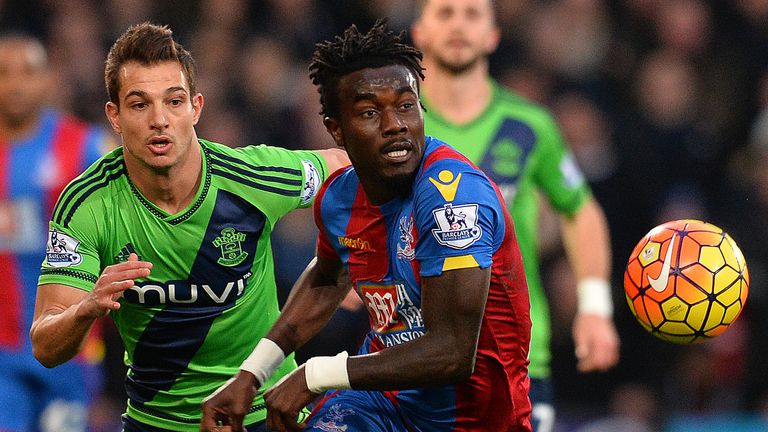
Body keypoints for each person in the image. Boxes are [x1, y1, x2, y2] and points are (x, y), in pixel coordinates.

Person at [201, 20, 532, 432]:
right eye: (370, 112)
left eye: (406, 105)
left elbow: (451, 352)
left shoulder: (454, 197)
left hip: (475, 420)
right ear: (336, 130)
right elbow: (326, 279)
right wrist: (251, 376)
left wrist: (316, 374)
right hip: (380, 405)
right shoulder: (339, 198)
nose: (395, 124)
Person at [28, 22, 348, 432]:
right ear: (115, 116)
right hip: (156, 421)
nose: (160, 119)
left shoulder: (252, 177)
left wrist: (360, 257)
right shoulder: (87, 204)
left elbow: (349, 166)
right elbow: (46, 344)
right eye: (140, 104)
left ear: (196, 108)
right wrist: (86, 308)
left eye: (174, 102)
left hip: (264, 412)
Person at [410, 1, 620, 430]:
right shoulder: (399, 126)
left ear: (492, 35)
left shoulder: (530, 126)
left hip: (516, 355)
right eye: (445, 13)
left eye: (472, 14)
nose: (458, 25)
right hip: (413, 351)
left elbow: (580, 210)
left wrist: (594, 306)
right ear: (419, 34)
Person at [0, 32, 115, 432]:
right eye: (3, 73)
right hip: (2, 354)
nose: (15, 83)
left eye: (27, 72)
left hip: (71, 350)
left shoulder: (87, 147)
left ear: (48, 79)